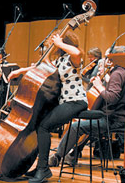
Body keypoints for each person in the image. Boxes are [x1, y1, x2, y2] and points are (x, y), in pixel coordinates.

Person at [8, 29, 88, 183]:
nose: (53, 44)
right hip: (65, 102)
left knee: (44, 127)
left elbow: (77, 53)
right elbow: (41, 69)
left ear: (64, 43)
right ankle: (41, 167)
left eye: (56, 42)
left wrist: (60, 43)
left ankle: (43, 169)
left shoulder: (73, 59)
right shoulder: (60, 61)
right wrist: (20, 71)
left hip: (76, 101)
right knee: (40, 125)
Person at [48, 45, 125, 167]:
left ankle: (57, 157)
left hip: (112, 120)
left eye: (110, 58)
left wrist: (98, 85)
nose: (108, 60)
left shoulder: (117, 74)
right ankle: (71, 155)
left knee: (76, 127)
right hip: (120, 118)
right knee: (87, 124)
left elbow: (112, 98)